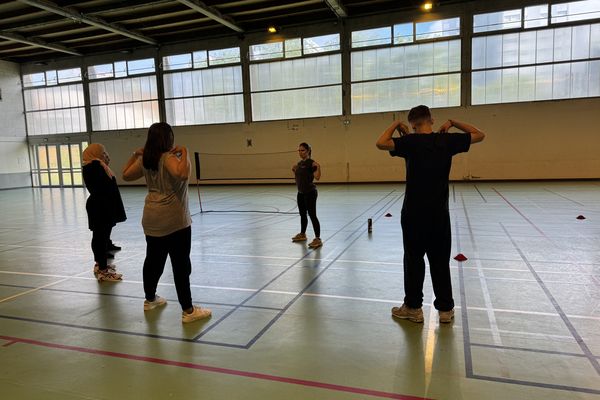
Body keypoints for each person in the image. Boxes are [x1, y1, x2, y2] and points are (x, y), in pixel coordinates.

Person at [375, 105, 485, 324]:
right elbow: (479, 135)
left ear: (412, 124)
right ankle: (445, 310)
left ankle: (414, 308)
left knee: (414, 260)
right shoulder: (446, 140)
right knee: (440, 261)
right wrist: (452, 122)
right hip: (439, 215)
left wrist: (396, 124)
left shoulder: (409, 143)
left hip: (413, 214)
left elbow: (381, 142)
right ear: (432, 120)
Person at [122, 122, 211, 323]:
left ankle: (150, 299)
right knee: (180, 265)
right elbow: (182, 173)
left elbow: (126, 175)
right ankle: (188, 311)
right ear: (168, 138)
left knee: (153, 261)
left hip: (152, 219)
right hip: (174, 221)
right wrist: (185, 152)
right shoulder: (167, 157)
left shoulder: (147, 159)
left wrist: (136, 154)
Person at [82, 143, 126, 282]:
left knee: (102, 236)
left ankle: (100, 264)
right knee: (100, 237)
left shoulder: (98, 166)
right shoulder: (94, 167)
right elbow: (104, 187)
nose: (105, 155)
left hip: (103, 206)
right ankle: (102, 270)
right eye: (102, 153)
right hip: (99, 207)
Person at [291, 142, 322, 249]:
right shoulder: (299, 164)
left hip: (310, 193)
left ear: (308, 151)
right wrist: (295, 170)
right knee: (302, 215)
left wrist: (318, 167)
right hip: (300, 193)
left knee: (312, 215)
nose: (300, 152)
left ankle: (318, 239)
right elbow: (299, 179)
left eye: (302, 150)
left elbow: (317, 177)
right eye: (299, 150)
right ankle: (302, 234)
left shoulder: (311, 163)